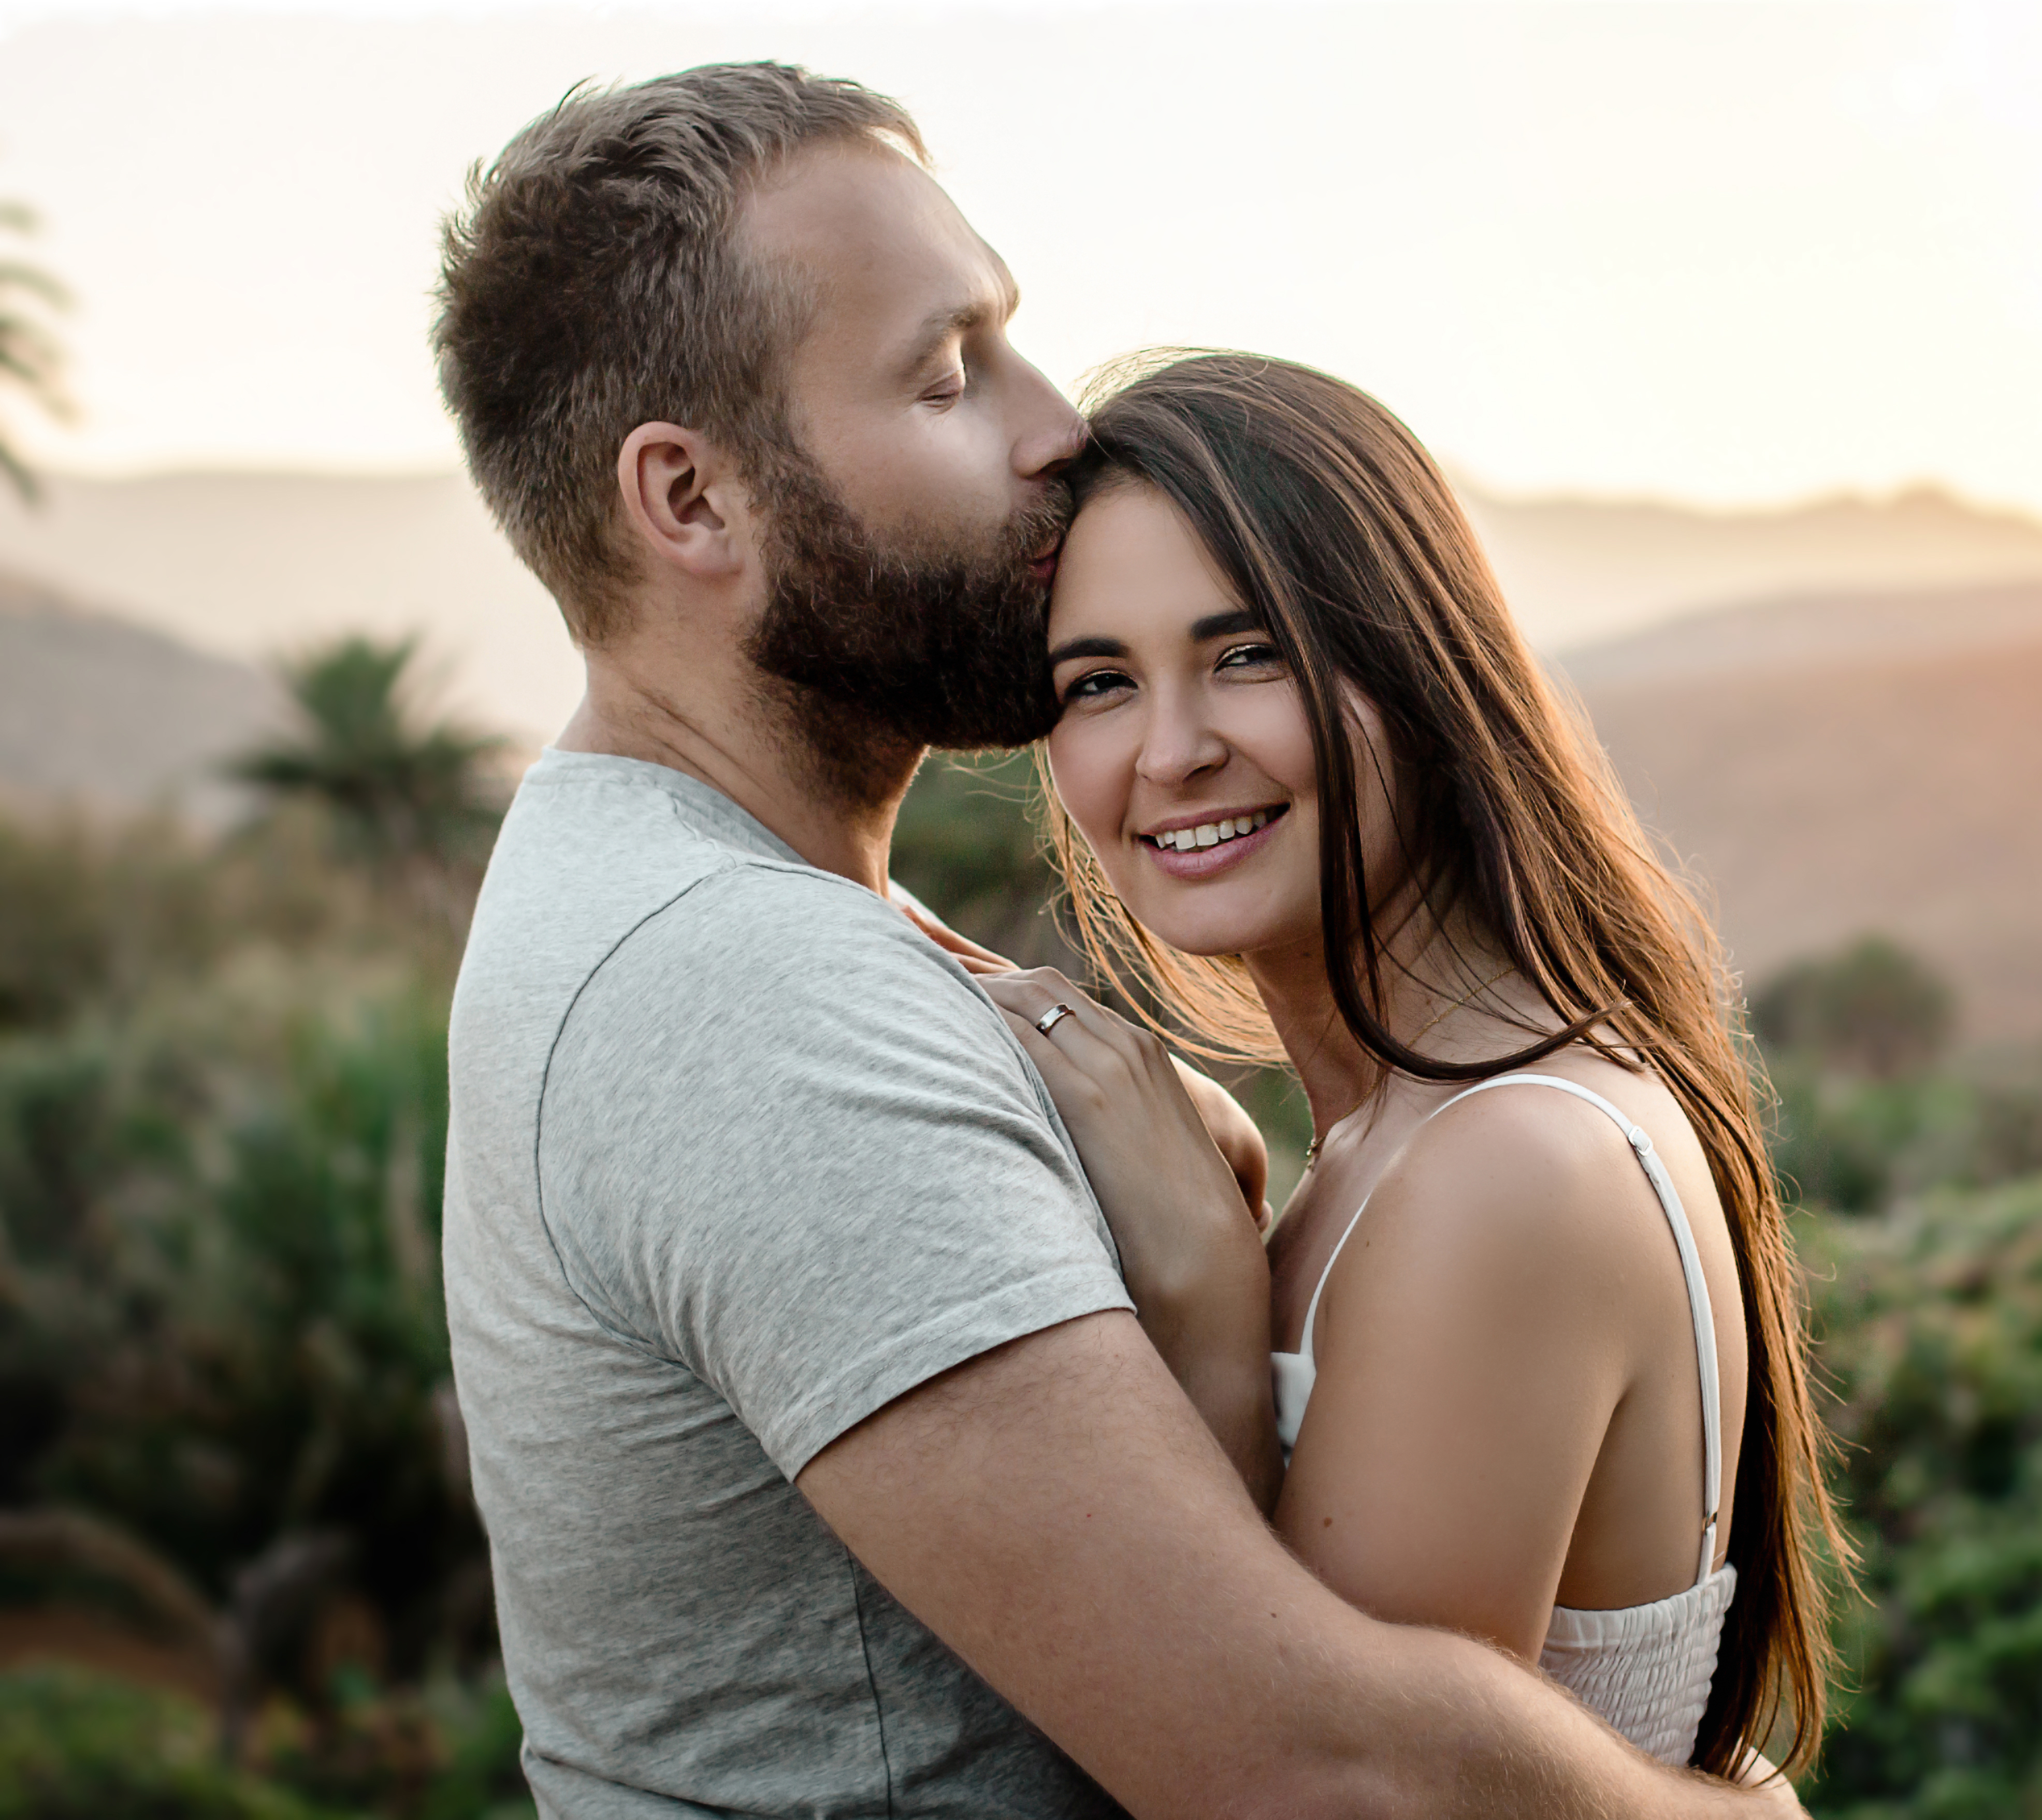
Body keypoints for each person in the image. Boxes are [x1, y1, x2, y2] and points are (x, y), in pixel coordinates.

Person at [434, 61, 1808, 1819]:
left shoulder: (733, 904)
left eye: (1241, 653)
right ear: (690, 503)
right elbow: (1310, 1774)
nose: (1050, 427)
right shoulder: (750, 991)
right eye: (946, 374)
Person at [929, 354, 1843, 1783]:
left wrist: (1206, 1309)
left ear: (1413, 665)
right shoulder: (1404, 1134)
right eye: (1098, 682)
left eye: (1247, 654)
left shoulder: (1503, 1167)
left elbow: (1326, 1787)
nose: (1169, 750)